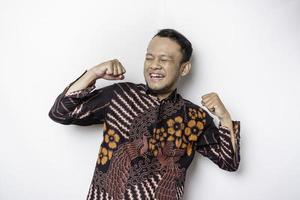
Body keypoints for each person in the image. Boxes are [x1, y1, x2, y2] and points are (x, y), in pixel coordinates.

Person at [48, 28, 241, 200]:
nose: (154, 65)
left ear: (184, 68)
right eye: (149, 57)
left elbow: (229, 162)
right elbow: (61, 112)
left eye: (164, 59)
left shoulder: (194, 117)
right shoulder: (120, 95)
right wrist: (93, 73)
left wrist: (224, 118)